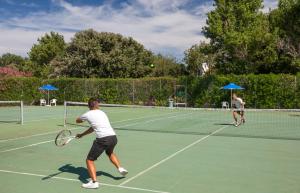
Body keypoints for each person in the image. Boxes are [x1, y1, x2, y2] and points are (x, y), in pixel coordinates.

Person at [75, 98, 128, 189]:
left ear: (89, 106)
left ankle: (94, 182)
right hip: (113, 137)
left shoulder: (87, 114)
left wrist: (81, 119)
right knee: (109, 152)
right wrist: (82, 135)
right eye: (98, 103)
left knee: (89, 160)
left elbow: (77, 120)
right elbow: (92, 128)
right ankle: (120, 168)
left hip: (103, 139)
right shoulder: (102, 113)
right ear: (96, 105)